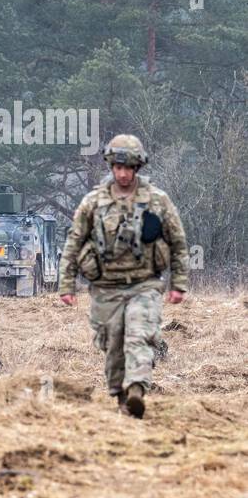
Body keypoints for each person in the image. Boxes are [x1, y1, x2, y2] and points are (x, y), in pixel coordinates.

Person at [57, 134, 189, 418]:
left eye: (129, 168)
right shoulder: (94, 202)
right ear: (110, 167)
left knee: (139, 335)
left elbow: (177, 242)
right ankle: (121, 398)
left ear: (138, 168)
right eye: (118, 168)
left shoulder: (157, 201)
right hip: (106, 288)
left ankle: (137, 390)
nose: (123, 174)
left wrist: (178, 284)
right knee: (113, 344)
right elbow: (74, 242)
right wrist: (66, 285)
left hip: (145, 284)